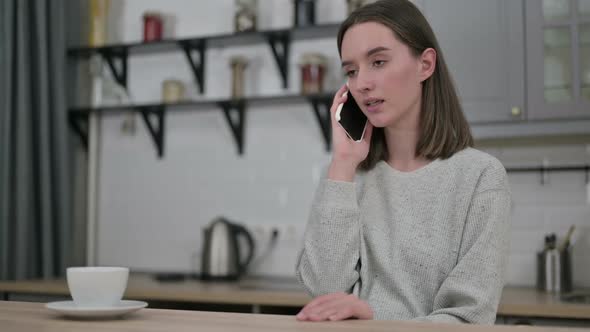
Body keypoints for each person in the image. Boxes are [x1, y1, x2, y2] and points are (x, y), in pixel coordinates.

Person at [295, 0, 511, 324]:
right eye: (351, 71)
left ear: (425, 65)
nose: (362, 83)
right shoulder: (351, 176)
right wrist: (342, 163)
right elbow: (323, 290)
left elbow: (468, 318)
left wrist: (374, 316)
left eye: (378, 62)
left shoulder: (481, 177)